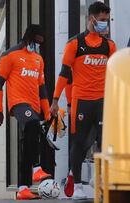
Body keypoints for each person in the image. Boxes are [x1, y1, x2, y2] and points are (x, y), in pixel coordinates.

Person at [50, 1, 116, 200]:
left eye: (107, 21)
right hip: (81, 101)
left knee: (104, 143)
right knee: (79, 143)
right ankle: (77, 184)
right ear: (92, 19)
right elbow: (63, 74)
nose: (105, 24)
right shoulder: (75, 44)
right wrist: (55, 101)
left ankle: (101, 181)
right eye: (102, 20)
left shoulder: (109, 46)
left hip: (103, 101)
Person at [0, 24, 52, 200]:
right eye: (36, 41)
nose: (38, 45)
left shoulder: (38, 59)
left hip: (34, 106)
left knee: (28, 144)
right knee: (33, 126)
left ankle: (23, 188)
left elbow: (42, 89)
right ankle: (36, 168)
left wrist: (48, 113)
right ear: (29, 38)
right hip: (18, 104)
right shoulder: (9, 55)